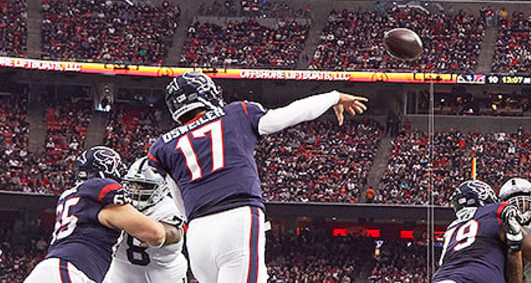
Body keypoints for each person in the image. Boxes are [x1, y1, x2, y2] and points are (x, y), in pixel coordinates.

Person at [147, 71, 366, 283]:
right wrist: (333, 97)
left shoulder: (163, 146)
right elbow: (286, 115)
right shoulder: (236, 113)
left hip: (197, 232)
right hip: (237, 217)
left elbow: (179, 201)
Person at [25, 147, 174, 283]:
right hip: (72, 270)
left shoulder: (72, 195)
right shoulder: (99, 187)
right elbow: (155, 233)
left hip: (58, 268)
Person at [105, 159, 187, 283]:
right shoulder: (117, 203)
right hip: (119, 276)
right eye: (133, 184)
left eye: (145, 186)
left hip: (164, 278)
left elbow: (174, 233)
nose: (137, 190)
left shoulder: (168, 207)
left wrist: (162, 235)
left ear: (163, 187)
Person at [433, 180, 525, 283]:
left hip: (442, 278)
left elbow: (442, 262)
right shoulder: (492, 210)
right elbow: (506, 209)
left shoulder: (452, 227)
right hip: (478, 275)